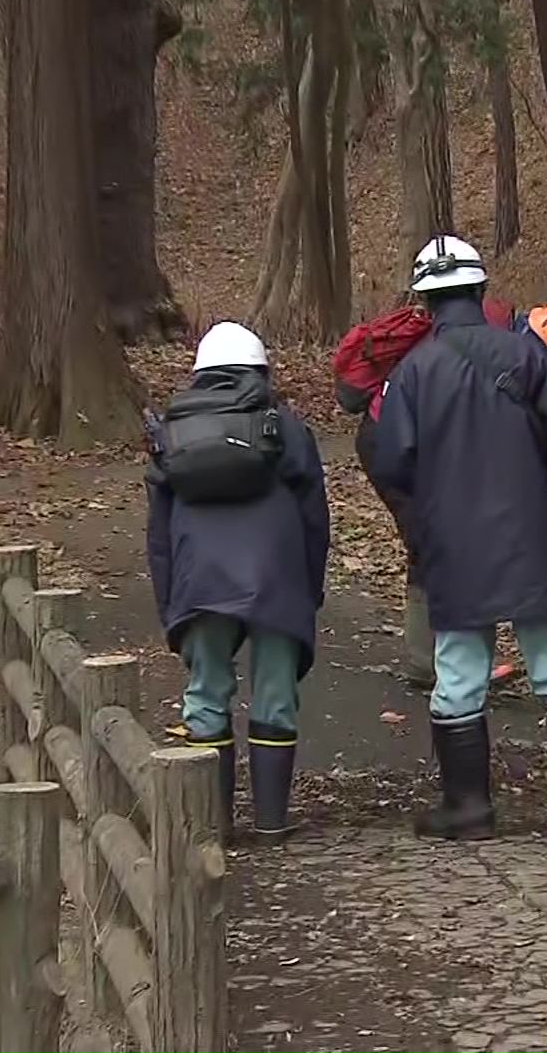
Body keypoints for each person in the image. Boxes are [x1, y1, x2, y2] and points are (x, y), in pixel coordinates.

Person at [373, 234, 547, 842]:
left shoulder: (412, 373)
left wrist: (438, 492)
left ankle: (469, 809)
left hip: (451, 538)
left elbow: (392, 459)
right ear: (481, 289)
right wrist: (524, 472)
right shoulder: (526, 354)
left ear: (425, 302)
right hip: (526, 528)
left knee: (458, 667)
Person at [146, 321, 330, 840]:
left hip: (200, 581)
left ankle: (213, 825)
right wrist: (310, 587)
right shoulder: (286, 428)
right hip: (277, 577)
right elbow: (314, 516)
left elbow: (159, 533)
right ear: (261, 371)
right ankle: (271, 821)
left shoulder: (171, 433)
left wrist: (171, 605)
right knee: (275, 695)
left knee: (206, 694)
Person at [336, 294, 524, 688]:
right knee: (434, 540)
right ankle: (436, 662)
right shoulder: (492, 333)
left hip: (389, 433)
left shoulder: (466, 322)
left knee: (433, 539)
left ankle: (442, 658)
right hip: (395, 437)